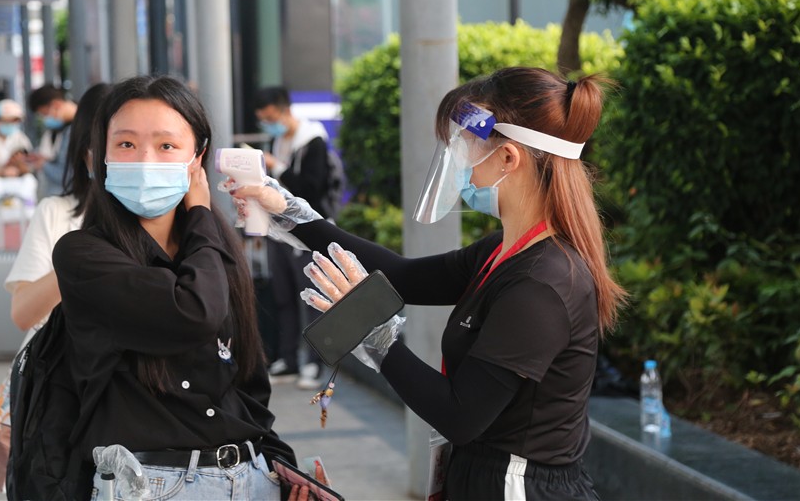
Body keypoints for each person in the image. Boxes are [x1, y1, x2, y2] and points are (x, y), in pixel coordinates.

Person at [234, 67, 626, 500]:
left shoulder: (543, 283)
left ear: (508, 158)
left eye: (466, 144)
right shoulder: (504, 250)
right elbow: (403, 277)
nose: (460, 162)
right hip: (481, 474)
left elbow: (461, 415)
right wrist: (290, 213)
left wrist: (374, 333)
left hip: (519, 485)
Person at [51, 75, 295, 499]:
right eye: (126, 144)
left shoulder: (217, 251)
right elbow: (194, 313)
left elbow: (248, 381)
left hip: (250, 477)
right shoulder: (82, 254)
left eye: (166, 145)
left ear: (197, 157)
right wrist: (201, 212)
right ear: (102, 155)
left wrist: (281, 466)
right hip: (152, 485)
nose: (145, 160)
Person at [0, 83, 110, 494]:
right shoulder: (56, 213)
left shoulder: (172, 222)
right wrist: (85, 253)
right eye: (119, 143)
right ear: (86, 150)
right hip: (54, 395)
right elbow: (23, 312)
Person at [254, 86, 332, 389]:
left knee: (311, 298)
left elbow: (311, 189)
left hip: (308, 232)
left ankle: (313, 362)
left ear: (285, 110)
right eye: (263, 120)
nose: (268, 124)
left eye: (271, 118)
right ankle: (288, 359)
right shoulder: (279, 140)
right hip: (279, 231)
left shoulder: (313, 140)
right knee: (283, 296)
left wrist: (278, 167)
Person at [28, 85, 78, 196]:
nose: (46, 119)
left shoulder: (76, 129)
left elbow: (68, 175)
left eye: (45, 114)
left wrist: (44, 165)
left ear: (56, 104)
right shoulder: (64, 129)